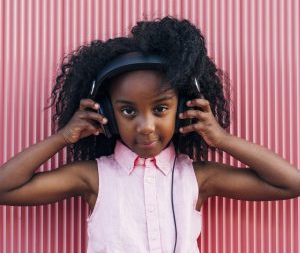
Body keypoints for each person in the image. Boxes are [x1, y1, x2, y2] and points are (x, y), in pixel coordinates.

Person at [0, 16, 299, 253]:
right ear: (106, 112)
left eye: (160, 109)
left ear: (184, 107)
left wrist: (222, 140)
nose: (145, 126)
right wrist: (64, 137)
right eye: (128, 112)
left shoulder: (197, 177)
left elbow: (289, 183)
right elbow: (5, 188)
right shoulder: (92, 176)